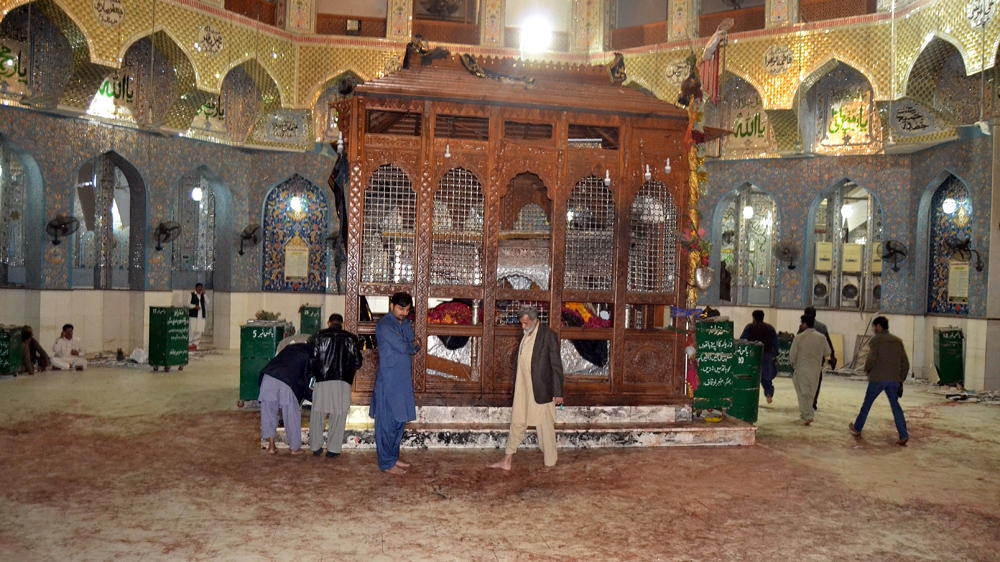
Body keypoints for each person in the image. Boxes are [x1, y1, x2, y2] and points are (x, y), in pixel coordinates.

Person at [490, 306, 564, 472]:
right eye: (521, 323)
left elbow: (556, 366)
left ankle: (550, 463)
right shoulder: (525, 333)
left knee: (544, 425)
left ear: (535, 320)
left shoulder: (548, 335)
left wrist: (558, 392)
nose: (523, 326)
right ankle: (507, 459)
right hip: (523, 387)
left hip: (541, 388)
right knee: (517, 420)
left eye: (525, 323)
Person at [369, 292, 421, 475]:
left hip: (403, 380)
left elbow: (415, 345)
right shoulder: (384, 325)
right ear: (392, 306)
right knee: (387, 423)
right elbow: (406, 346)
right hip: (388, 380)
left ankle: (393, 457)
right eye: (401, 309)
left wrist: (412, 343)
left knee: (399, 421)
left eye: (407, 309)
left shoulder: (405, 322)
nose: (404, 313)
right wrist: (411, 343)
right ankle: (386, 463)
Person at [849, 317, 910, 446]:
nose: (873, 329)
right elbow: (905, 363)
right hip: (893, 379)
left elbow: (871, 359)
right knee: (895, 407)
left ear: (879, 327)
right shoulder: (897, 341)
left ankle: (857, 428)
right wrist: (901, 378)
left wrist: (867, 370)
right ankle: (903, 434)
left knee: (867, 403)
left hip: (878, 378)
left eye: (874, 327)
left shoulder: (876, 341)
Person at [309, 313, 363, 458]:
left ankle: (316, 447)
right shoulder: (351, 338)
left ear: (329, 322)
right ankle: (333, 449)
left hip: (322, 379)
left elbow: (312, 359)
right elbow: (358, 362)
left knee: (318, 412)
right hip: (342, 380)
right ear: (342, 324)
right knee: (339, 414)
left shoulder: (319, 336)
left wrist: (312, 377)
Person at [259, 341, 313, 455]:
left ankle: (271, 446)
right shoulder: (309, 355)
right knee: (291, 415)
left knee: (268, 414)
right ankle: (294, 448)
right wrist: (312, 397)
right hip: (286, 382)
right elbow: (304, 381)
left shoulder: (289, 347)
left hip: (267, 377)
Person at [789, 315, 831, 426]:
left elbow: (792, 355)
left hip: (801, 369)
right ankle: (805, 414)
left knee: (802, 393)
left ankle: (807, 415)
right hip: (816, 369)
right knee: (811, 393)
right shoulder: (821, 337)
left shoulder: (799, 337)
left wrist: (793, 363)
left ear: (804, 324)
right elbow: (827, 352)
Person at [799, 306, 836, 410]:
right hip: (818, 359)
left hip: (805, 359)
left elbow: (797, 341)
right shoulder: (822, 327)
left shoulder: (803, 326)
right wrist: (832, 355)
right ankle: (813, 401)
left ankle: (806, 402)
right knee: (816, 381)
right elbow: (828, 342)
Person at [739, 310, 778, 404]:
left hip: (752, 355)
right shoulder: (770, 328)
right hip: (767, 355)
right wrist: (774, 355)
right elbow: (775, 343)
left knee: (751, 376)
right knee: (766, 377)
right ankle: (769, 394)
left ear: (753, 317)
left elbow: (742, 340)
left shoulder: (750, 327)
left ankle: (750, 396)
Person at [189, 283, 208, 350]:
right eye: (199, 288)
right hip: (193, 315)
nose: (200, 289)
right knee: (192, 329)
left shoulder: (203, 295)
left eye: (201, 288)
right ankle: (190, 344)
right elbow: (188, 304)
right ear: (196, 288)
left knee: (199, 329)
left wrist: (205, 294)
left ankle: (196, 343)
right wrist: (194, 306)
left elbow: (208, 302)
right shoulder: (191, 294)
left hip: (201, 315)